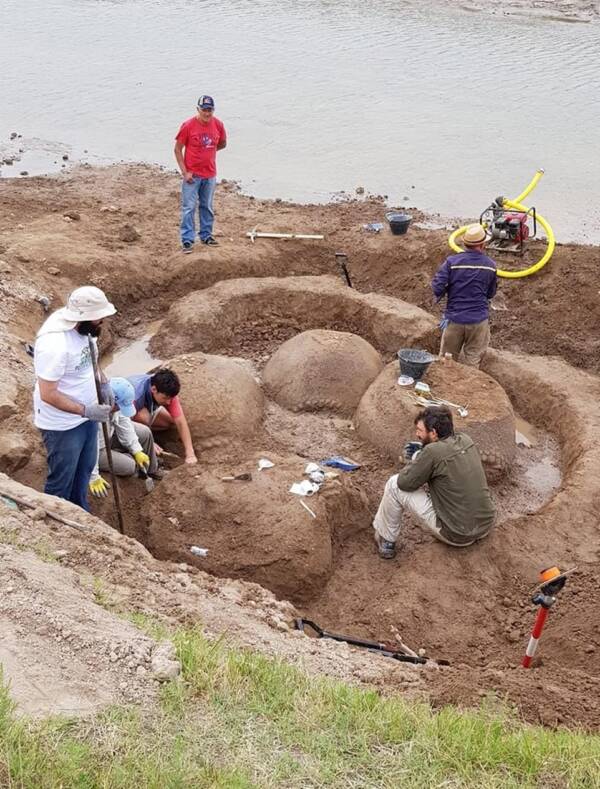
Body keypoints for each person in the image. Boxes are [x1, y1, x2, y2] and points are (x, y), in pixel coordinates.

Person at [373, 406, 495, 559]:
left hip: (457, 535)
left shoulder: (432, 453)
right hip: (485, 525)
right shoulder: (466, 439)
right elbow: (444, 455)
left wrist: (416, 460)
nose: (417, 434)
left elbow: (405, 483)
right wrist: (423, 453)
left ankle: (386, 539)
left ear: (433, 433)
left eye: (420, 430)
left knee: (393, 484)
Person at [33, 286, 116, 510]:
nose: (103, 322)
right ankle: (55, 520)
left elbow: (91, 360)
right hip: (62, 425)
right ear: (85, 317)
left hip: (86, 417)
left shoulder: (87, 331)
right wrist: (85, 411)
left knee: (86, 469)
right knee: (62, 478)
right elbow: (48, 393)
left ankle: (80, 511)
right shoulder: (55, 344)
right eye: (99, 318)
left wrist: (103, 381)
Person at [432, 223, 497, 367]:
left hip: (454, 319)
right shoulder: (490, 266)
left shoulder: (452, 262)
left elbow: (437, 287)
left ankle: (445, 387)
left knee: (446, 359)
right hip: (478, 321)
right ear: (483, 244)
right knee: (472, 359)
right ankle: (468, 388)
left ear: (465, 244)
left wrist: (446, 291)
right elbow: (491, 293)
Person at [88, 377, 161, 498]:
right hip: (97, 449)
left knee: (145, 432)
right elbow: (91, 447)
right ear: (112, 401)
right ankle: (133, 466)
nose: (120, 409)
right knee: (129, 466)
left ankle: (151, 471)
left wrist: (137, 450)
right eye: (119, 406)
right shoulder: (95, 413)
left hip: (110, 434)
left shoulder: (115, 404)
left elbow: (124, 423)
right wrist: (93, 476)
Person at [174, 94, 227, 252]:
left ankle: (206, 235)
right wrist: (185, 172)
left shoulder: (218, 125)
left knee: (207, 206)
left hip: (210, 174)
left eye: (210, 110)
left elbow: (223, 143)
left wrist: (207, 152)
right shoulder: (188, 125)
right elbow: (177, 149)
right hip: (192, 175)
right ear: (198, 109)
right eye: (204, 109)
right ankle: (187, 240)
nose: (207, 113)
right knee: (189, 207)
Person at [128, 368, 198, 464]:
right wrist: (149, 442)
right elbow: (124, 424)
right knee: (143, 417)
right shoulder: (135, 396)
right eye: (165, 398)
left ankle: (150, 433)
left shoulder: (166, 390)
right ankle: (145, 438)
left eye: (171, 398)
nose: (168, 402)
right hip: (122, 416)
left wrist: (190, 454)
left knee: (168, 421)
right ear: (154, 389)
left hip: (144, 408)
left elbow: (180, 422)